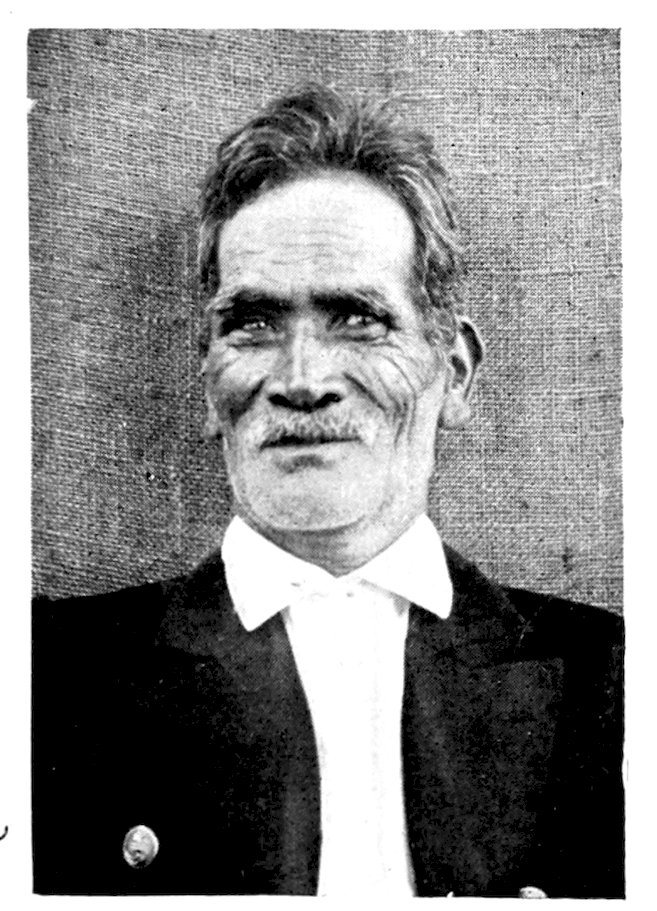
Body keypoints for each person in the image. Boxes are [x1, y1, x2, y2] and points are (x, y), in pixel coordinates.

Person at [32, 84, 623, 898]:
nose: (302, 380)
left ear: (452, 372)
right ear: (206, 380)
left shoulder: (609, 678)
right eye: (253, 323)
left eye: (357, 318)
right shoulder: (43, 675)